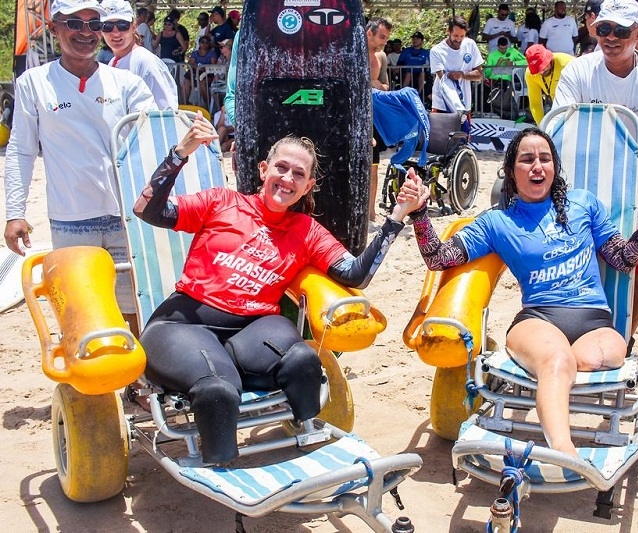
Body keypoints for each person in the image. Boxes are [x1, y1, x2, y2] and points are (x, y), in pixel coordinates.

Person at [132, 113, 427, 464]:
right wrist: (181, 152)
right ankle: (222, 469)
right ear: (263, 170)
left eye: (298, 174)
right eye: (281, 168)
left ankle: (307, 440)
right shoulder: (222, 203)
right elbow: (147, 209)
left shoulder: (305, 230)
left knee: (303, 362)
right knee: (218, 389)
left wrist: (398, 215)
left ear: (307, 186)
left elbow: (355, 274)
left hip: (252, 330)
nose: (287, 179)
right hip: (185, 323)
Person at [406, 127, 638, 456]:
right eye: (527, 160)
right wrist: (419, 213)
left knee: (599, 356)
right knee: (557, 360)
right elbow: (438, 258)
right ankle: (564, 451)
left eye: (545, 158)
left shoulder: (583, 204)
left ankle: (551, 378)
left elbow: (624, 258)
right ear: (511, 172)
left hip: (595, 321)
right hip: (539, 319)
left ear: (555, 167)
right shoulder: (497, 223)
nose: (537, 166)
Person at [3, 0, 155, 336]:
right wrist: (14, 213)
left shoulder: (127, 83)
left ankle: (137, 372)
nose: (86, 32)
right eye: (74, 23)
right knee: (82, 317)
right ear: (54, 28)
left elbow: (155, 141)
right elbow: (21, 150)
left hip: (127, 219)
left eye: (94, 24)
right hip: (70, 221)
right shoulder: (33, 83)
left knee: (136, 315)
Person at [553, 0, 638, 336]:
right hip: (586, 185)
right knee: (579, 264)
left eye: (621, 31)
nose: (611, 37)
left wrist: (634, 172)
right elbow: (561, 128)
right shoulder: (578, 71)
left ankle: (625, 339)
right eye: (604, 28)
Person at [100, 0, 178, 110]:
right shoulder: (112, 62)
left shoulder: (146, 62)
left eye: (122, 25)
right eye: (107, 26)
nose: (116, 33)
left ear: (133, 26)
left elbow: (166, 111)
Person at [429, 16, 484, 122]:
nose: (458, 39)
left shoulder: (470, 44)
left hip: (465, 106)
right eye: (455, 36)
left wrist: (462, 74)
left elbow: (479, 75)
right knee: (443, 134)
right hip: (442, 106)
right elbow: (444, 80)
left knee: (464, 133)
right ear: (448, 31)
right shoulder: (436, 51)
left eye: (462, 36)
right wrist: (457, 106)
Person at [366, 17, 393, 222]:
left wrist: (374, 83)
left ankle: (371, 210)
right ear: (369, 33)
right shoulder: (353, 53)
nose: (385, 42)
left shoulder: (381, 57)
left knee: (374, 165)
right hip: (351, 115)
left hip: (373, 116)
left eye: (386, 38)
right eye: (382, 37)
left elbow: (386, 86)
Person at [524, 44, 573, 125]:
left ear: (549, 58)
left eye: (543, 65)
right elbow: (535, 103)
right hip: (558, 108)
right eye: (537, 69)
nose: (542, 71)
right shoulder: (530, 74)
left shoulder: (568, 63)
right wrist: (542, 126)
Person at [185, 35, 218, 106]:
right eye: (202, 42)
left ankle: (208, 105)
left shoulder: (212, 53)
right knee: (186, 82)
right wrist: (197, 67)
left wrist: (204, 68)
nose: (204, 44)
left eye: (207, 42)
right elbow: (191, 63)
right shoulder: (195, 53)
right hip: (195, 73)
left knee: (202, 84)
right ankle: (184, 103)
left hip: (207, 74)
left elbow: (213, 65)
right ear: (199, 43)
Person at [398, 31, 430, 100]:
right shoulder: (406, 51)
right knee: (409, 73)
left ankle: (419, 94)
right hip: (406, 73)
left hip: (420, 74)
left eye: (417, 39)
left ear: (422, 41)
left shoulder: (426, 53)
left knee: (422, 73)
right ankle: (403, 94)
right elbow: (399, 63)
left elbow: (428, 65)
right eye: (413, 39)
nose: (415, 40)